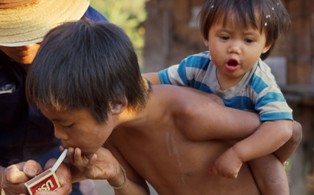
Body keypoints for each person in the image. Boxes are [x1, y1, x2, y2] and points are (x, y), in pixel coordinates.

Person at [26, 19, 290, 195]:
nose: (58, 134)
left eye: (67, 123)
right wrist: (116, 176)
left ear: (116, 103)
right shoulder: (112, 132)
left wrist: (240, 154)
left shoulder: (190, 113)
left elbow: (283, 133)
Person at [143, 0, 302, 194]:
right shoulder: (197, 66)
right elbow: (159, 79)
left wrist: (239, 154)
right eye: (225, 37)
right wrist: (126, 82)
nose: (235, 48)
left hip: (247, 141)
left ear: (266, 44)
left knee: (267, 160)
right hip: (208, 136)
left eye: (248, 40)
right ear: (207, 37)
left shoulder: (260, 81)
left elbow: (283, 128)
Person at [0, 0, 108, 194]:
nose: (26, 45)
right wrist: (1, 178)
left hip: (67, 162)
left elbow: (113, 129)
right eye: (10, 31)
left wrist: (71, 169)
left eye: (36, 32)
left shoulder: (95, 40)